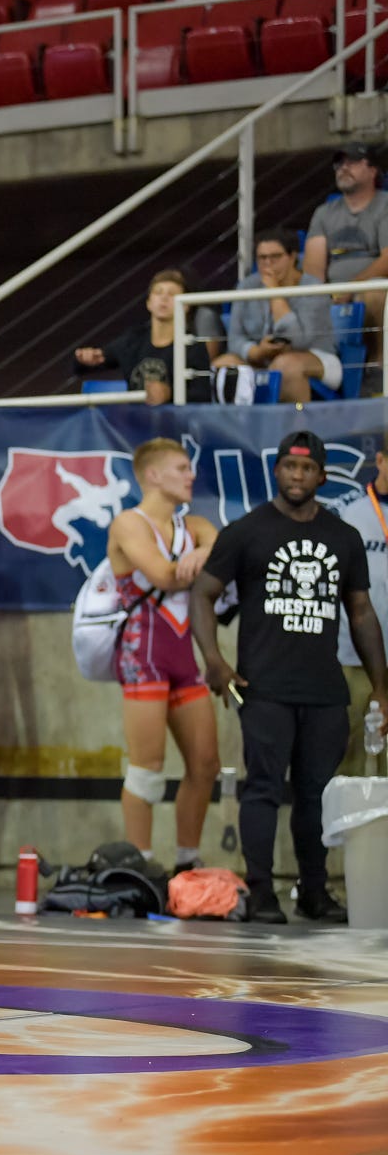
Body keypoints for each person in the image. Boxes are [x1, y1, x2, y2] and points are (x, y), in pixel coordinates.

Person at [192, 430, 388, 924]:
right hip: (264, 688)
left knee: (316, 794)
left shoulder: (342, 536)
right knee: (261, 788)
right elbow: (202, 593)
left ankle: (314, 892)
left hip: (324, 689)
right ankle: (261, 892)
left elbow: (361, 614)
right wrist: (214, 661)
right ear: (277, 470)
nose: (296, 476)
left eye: (306, 469)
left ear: (321, 475)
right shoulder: (247, 530)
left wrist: (382, 686)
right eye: (288, 467)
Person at [105, 439, 221, 866]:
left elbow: (224, 550)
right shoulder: (129, 525)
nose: (191, 475)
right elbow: (166, 575)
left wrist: (207, 552)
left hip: (183, 659)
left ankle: (187, 862)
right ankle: (141, 865)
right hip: (143, 658)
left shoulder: (195, 527)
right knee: (147, 770)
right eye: (182, 467)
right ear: (153, 475)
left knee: (206, 764)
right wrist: (205, 558)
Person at [211, 230, 340, 403]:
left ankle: (296, 428)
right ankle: (237, 428)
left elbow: (301, 341)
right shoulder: (247, 286)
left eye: (275, 257)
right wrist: (256, 352)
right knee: (223, 365)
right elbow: (235, 339)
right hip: (262, 359)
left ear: (293, 256)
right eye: (262, 258)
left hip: (316, 357)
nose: (268, 264)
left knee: (284, 365)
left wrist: (275, 294)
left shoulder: (313, 287)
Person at [304, 143, 388, 376]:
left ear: (373, 171)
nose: (343, 168)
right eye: (340, 163)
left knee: (374, 293)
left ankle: (377, 368)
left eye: (352, 162)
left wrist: (351, 289)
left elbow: (387, 259)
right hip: (336, 292)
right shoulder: (324, 213)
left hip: (372, 289)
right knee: (306, 294)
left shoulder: (385, 205)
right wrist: (324, 296)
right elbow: (313, 268)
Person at [73, 269, 213, 404]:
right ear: (149, 303)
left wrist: (169, 394)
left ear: (185, 306)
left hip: (175, 425)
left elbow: (203, 396)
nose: (164, 298)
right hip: (135, 424)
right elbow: (87, 365)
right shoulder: (133, 339)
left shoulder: (192, 346)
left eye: (172, 294)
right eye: (158, 292)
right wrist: (85, 359)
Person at [337, 439, 388, 775]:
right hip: (354, 660)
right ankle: (339, 830)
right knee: (347, 761)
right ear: (380, 460)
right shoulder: (345, 511)